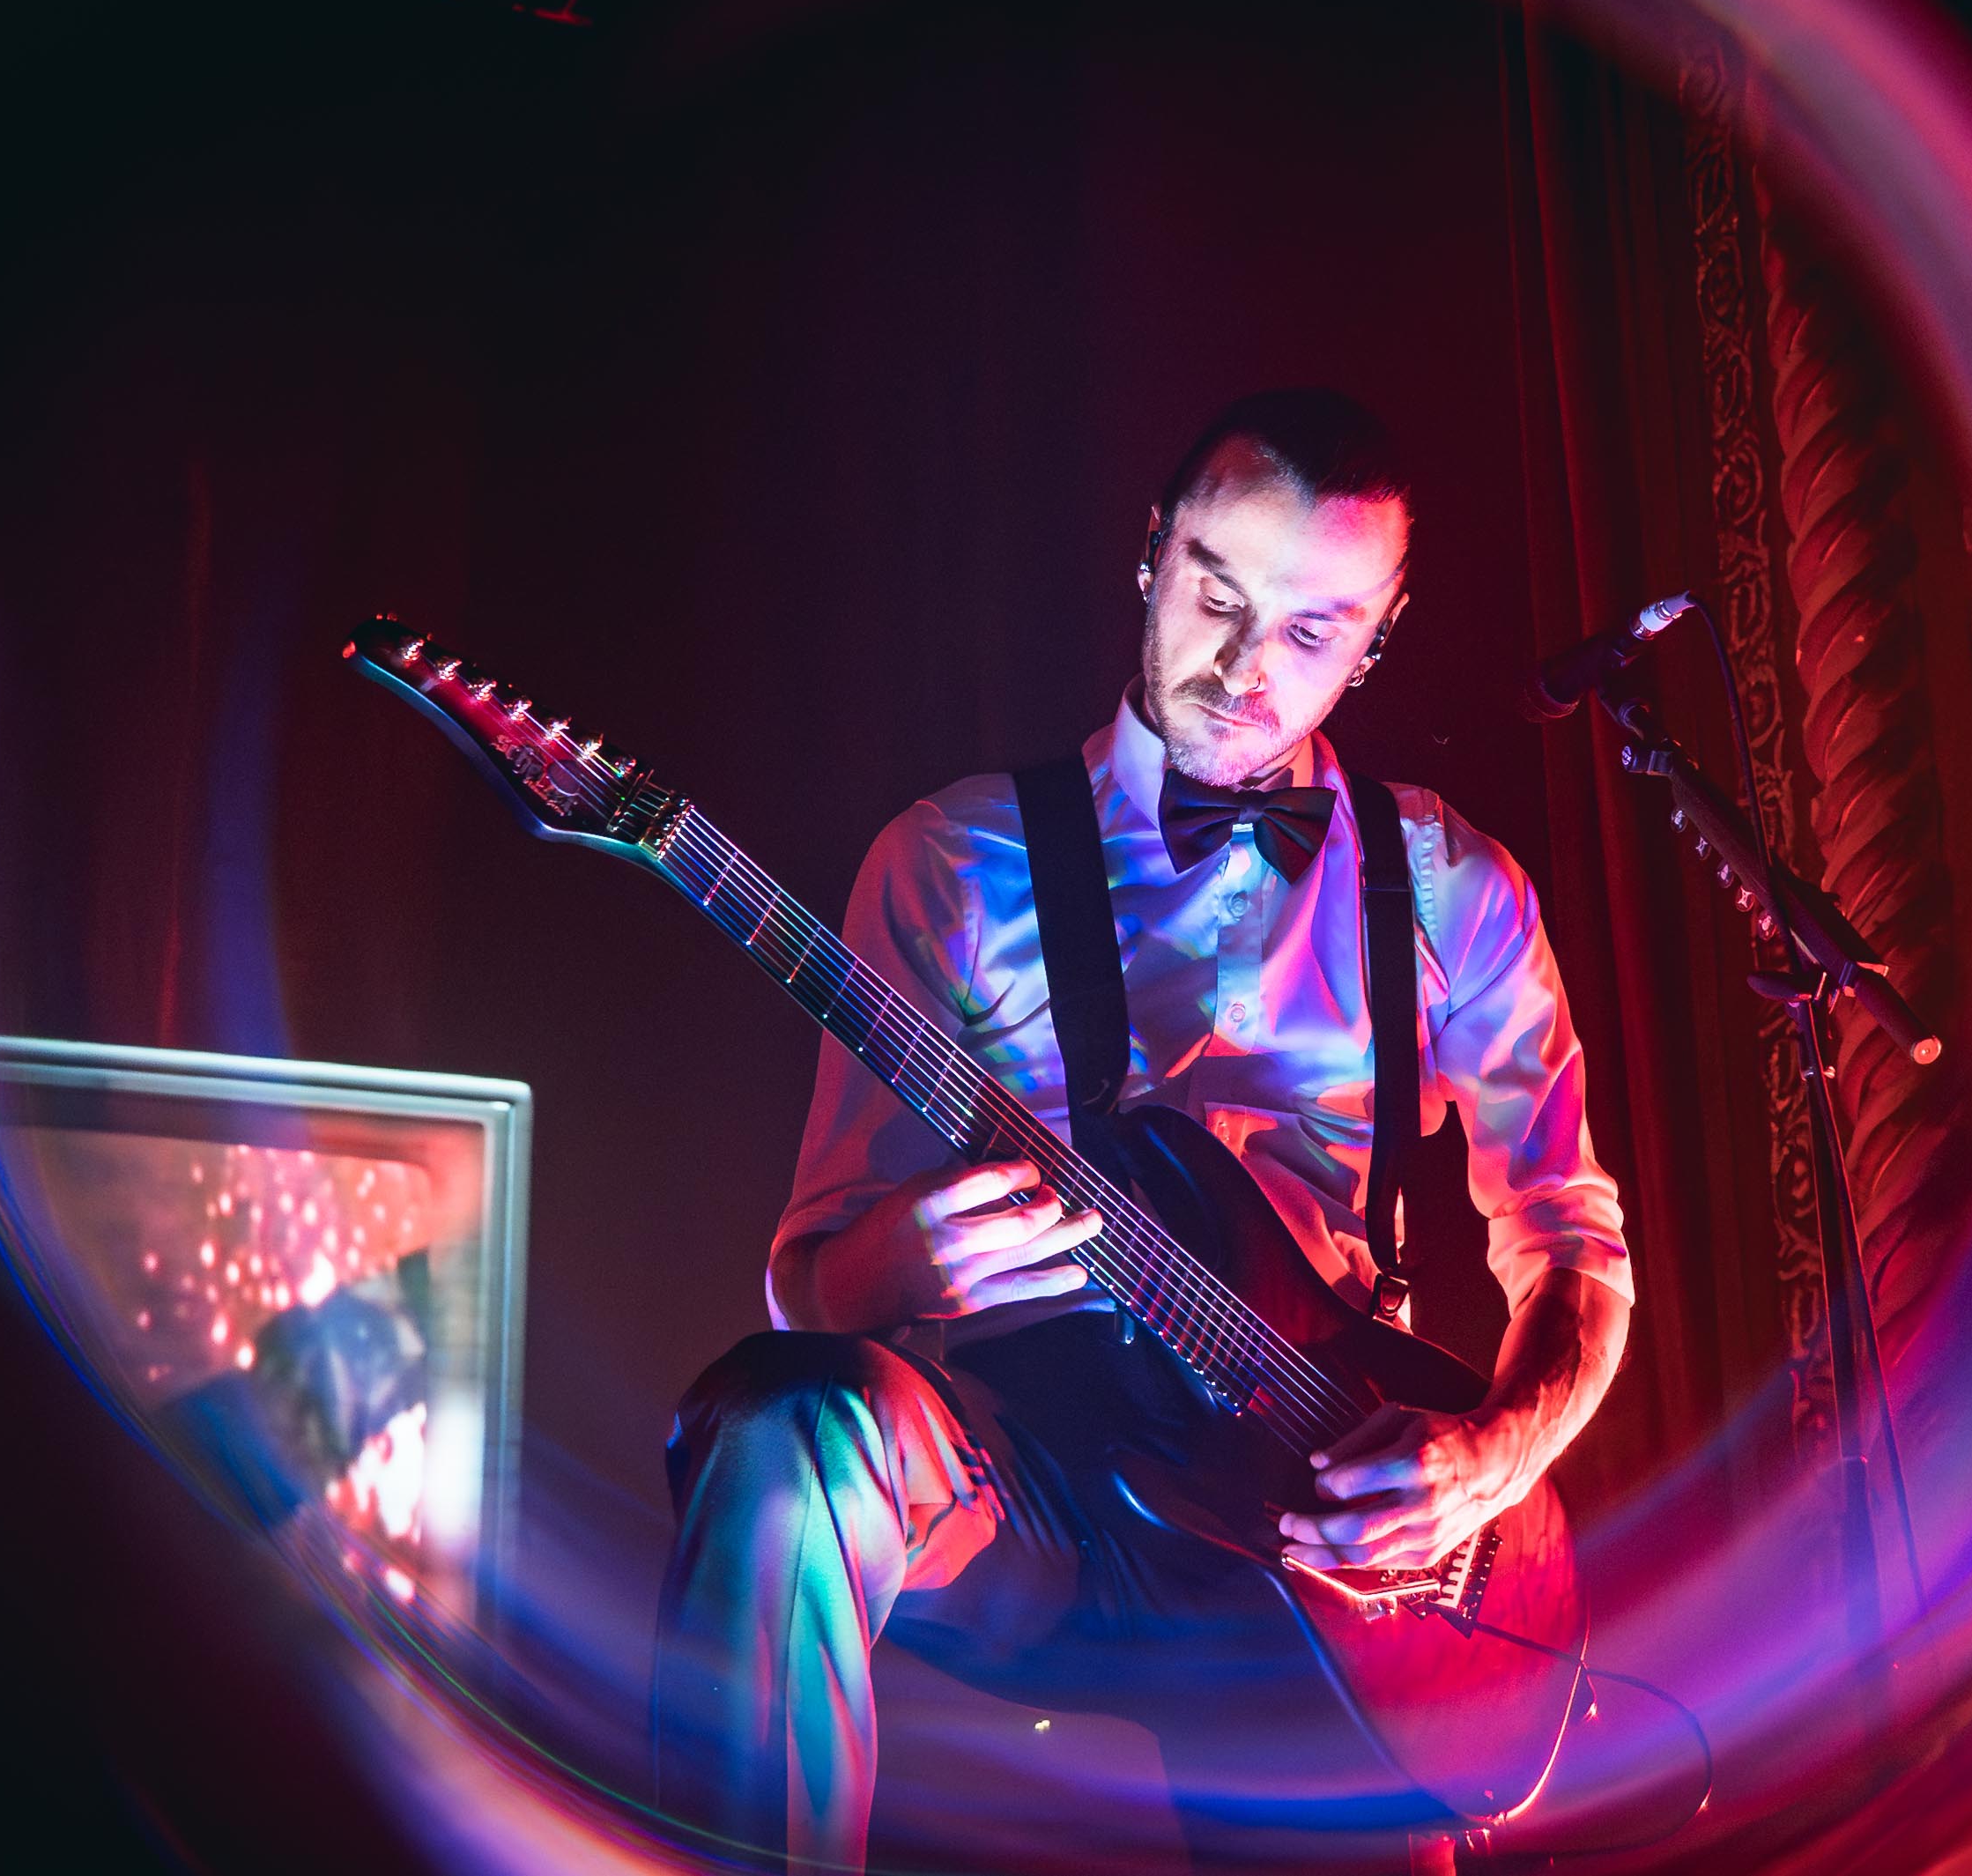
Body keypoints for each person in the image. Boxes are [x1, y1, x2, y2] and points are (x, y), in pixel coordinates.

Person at [650, 389, 1633, 1872]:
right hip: (1032, 1491)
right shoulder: (952, 860)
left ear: (1377, 639)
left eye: (1312, 631)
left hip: (1316, 1539)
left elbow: (1569, 1237)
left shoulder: (1454, 888)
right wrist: (904, 1257)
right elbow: (810, 1284)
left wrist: (1490, 1457)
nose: (1244, 667)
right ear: (1152, 553)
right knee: (785, 1419)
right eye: (1215, 594)